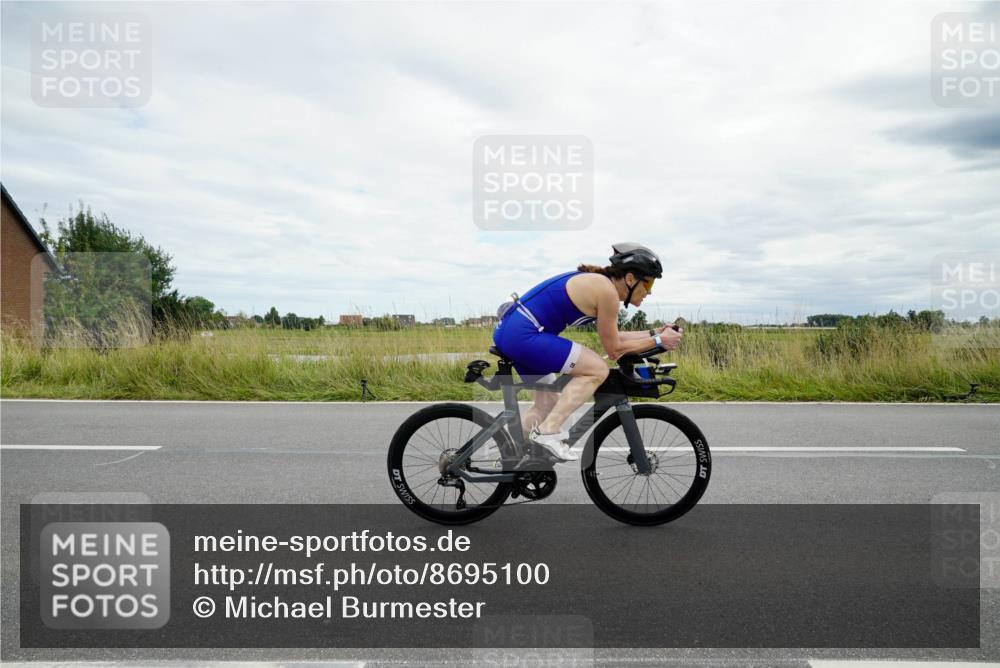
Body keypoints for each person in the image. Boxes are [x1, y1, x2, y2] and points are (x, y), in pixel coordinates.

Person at [492, 243, 683, 462]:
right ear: (630, 279)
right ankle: (548, 432)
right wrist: (659, 340)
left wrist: (655, 333)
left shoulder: (602, 287)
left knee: (547, 403)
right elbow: (614, 350)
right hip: (524, 335)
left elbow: (616, 337)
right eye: (648, 283)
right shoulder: (607, 292)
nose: (649, 291)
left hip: (514, 333)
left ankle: (511, 460)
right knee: (596, 369)